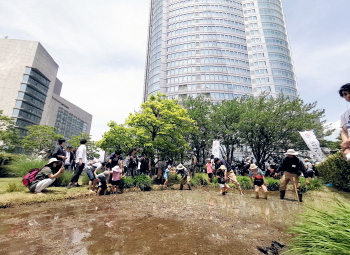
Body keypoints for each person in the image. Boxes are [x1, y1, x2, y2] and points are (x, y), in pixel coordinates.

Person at [339, 83, 350, 160]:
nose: (348, 96)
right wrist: (346, 148)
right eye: (345, 94)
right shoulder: (344, 115)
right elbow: (344, 131)